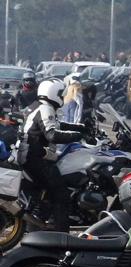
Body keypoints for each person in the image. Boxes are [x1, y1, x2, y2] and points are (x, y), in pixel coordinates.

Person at [16, 79, 87, 232]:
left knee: (51, 189)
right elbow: (52, 134)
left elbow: (56, 124)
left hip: (30, 155)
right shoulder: (45, 108)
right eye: (61, 94)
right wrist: (78, 136)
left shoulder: (40, 107)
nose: (62, 97)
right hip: (34, 159)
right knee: (61, 194)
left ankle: (42, 223)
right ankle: (62, 233)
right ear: (52, 94)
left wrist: (81, 128)